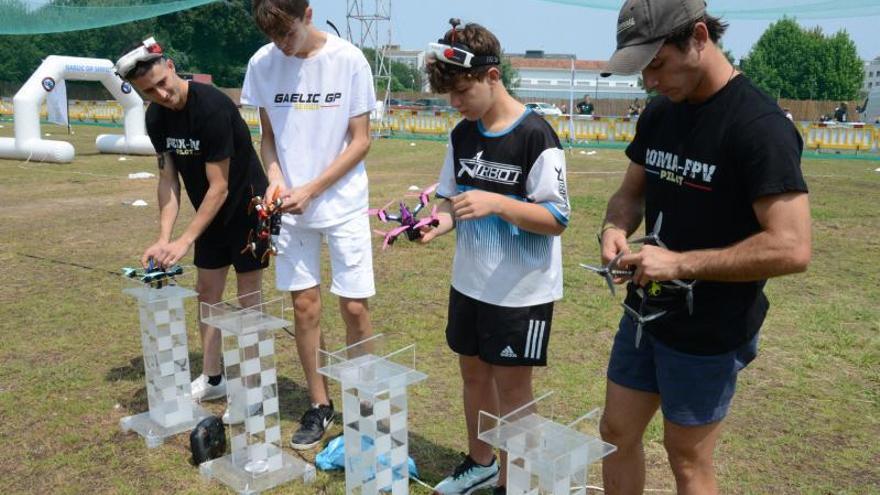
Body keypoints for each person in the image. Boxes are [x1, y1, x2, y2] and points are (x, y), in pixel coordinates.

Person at [597, 1, 811, 493]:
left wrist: (678, 263)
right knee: (615, 432)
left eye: (657, 64)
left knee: (688, 459)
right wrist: (614, 227)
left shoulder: (759, 127)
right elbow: (630, 194)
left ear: (697, 37)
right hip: (643, 315)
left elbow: (793, 247)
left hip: (711, 327)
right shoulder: (659, 115)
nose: (650, 81)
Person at [419, 20, 570, 495]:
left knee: (514, 391)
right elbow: (451, 201)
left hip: (521, 292)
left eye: (462, 91)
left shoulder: (537, 137)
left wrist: (497, 202)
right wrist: (437, 223)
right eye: (449, 95)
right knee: (472, 373)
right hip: (470, 283)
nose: (456, 103)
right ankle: (481, 462)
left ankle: (517, 480)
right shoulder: (461, 135)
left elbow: (558, 218)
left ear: (491, 76)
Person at [241, 0, 376, 450]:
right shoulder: (262, 63)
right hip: (290, 208)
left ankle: (364, 401)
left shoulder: (349, 59)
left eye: (288, 34)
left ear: (309, 15)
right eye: (273, 37)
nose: (281, 45)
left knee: (354, 308)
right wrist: (276, 178)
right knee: (304, 307)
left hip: (340, 202)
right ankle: (320, 404)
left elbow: (360, 142)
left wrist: (313, 188)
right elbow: (269, 138)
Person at [114, 38, 270, 417]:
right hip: (209, 217)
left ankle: (253, 386)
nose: (161, 94)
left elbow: (220, 185)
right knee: (206, 291)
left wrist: (185, 239)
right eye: (148, 91)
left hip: (247, 209)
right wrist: (165, 238)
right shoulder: (155, 118)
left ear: (169, 65)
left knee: (248, 297)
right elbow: (169, 180)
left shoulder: (212, 105)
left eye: (161, 82)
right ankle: (214, 377)